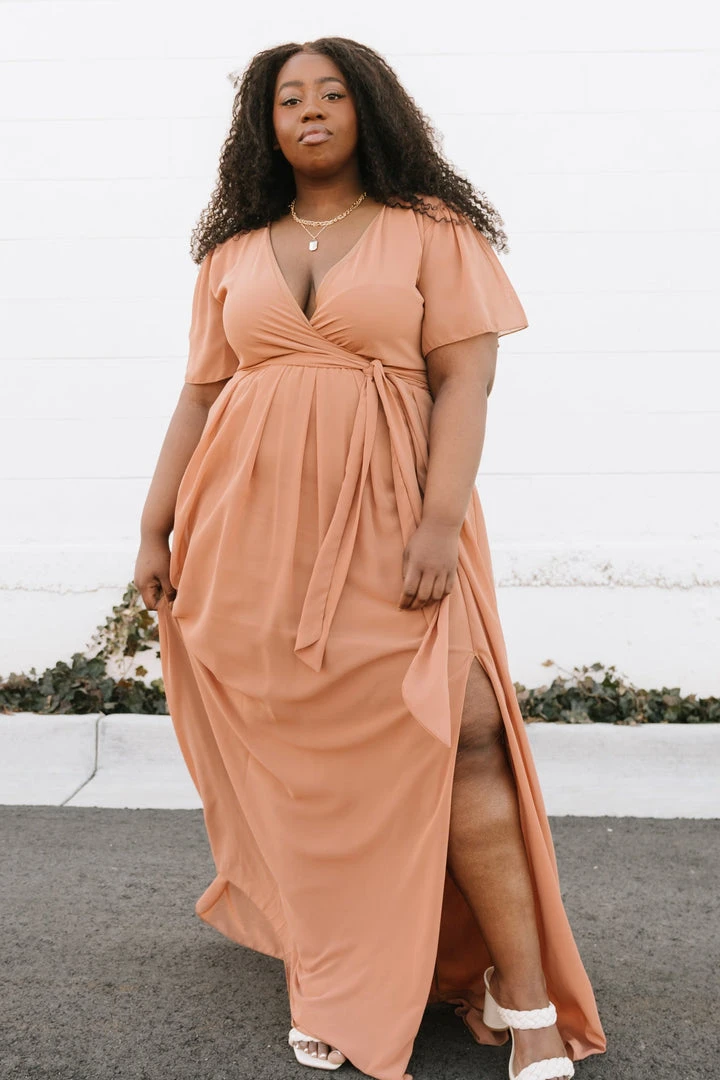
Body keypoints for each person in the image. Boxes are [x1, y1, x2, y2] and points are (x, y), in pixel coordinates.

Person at [134, 36, 606, 1080]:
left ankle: (526, 996)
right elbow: (201, 395)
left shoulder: (431, 229)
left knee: (465, 733)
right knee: (304, 770)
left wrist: (440, 523)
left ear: (369, 109)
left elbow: (466, 382)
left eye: (331, 94)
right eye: (287, 99)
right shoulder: (233, 253)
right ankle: (337, 976)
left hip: (396, 519)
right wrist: (155, 525)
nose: (309, 111)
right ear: (264, 126)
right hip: (248, 535)